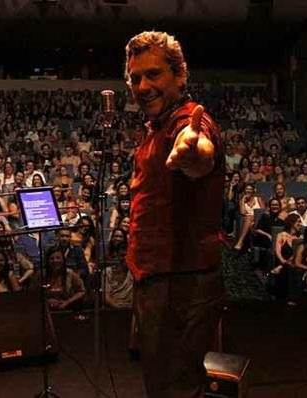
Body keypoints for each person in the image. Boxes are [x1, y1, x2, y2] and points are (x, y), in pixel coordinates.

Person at [124, 31, 225, 397]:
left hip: (182, 282)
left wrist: (193, 152)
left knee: (177, 389)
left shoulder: (188, 121)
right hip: (156, 279)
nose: (142, 85)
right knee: (162, 384)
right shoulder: (154, 128)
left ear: (180, 75)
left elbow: (199, 150)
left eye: (154, 74)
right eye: (135, 78)